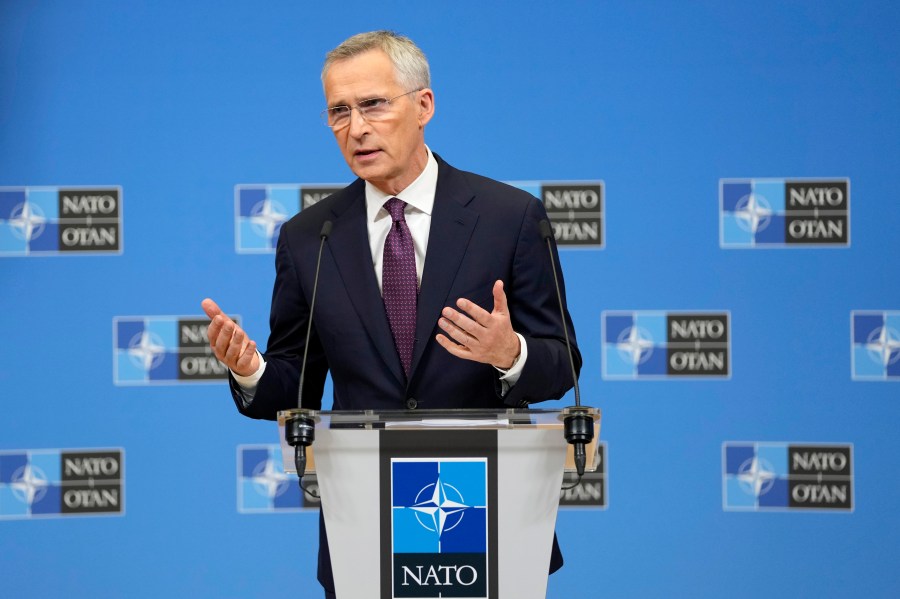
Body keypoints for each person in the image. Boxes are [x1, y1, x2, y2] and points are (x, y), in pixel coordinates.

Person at [202, 30, 580, 598]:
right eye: (339, 111)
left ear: (423, 105)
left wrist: (511, 354)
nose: (356, 128)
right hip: (365, 524)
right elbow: (294, 385)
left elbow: (562, 364)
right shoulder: (311, 238)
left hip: (485, 509)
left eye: (373, 104)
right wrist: (251, 369)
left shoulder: (510, 217)